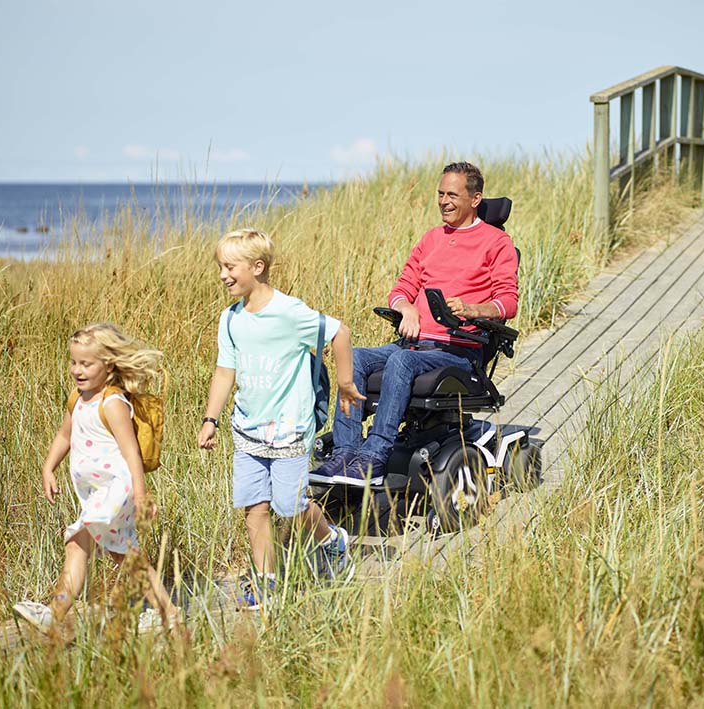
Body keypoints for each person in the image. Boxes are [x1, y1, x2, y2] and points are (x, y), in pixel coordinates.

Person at [319, 161, 519, 485]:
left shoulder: (496, 243)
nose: (443, 201)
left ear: (475, 198)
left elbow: (507, 302)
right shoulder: (431, 239)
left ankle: (374, 457)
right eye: (440, 193)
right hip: (413, 343)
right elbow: (401, 288)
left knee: (401, 360)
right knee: (352, 356)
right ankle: (345, 454)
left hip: (457, 350)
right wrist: (406, 308)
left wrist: (473, 309)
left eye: (452, 194)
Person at [198, 228, 365, 608]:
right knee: (254, 508)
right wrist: (211, 419)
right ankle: (266, 582)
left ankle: (331, 541)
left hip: (289, 429)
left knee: (290, 507)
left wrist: (345, 382)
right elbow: (225, 371)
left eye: (229, 267)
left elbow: (340, 331)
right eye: (220, 267)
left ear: (257, 267)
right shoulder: (231, 319)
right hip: (247, 430)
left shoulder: (290, 312)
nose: (223, 275)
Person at [13, 323, 178, 634]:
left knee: (77, 543)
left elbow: (132, 454)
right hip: (96, 491)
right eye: (73, 361)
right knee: (123, 552)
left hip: (118, 487)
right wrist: (48, 467)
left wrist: (141, 496)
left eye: (86, 363)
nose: (78, 369)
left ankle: (56, 612)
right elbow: (65, 435)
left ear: (109, 364)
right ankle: (167, 611)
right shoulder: (77, 398)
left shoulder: (112, 403)